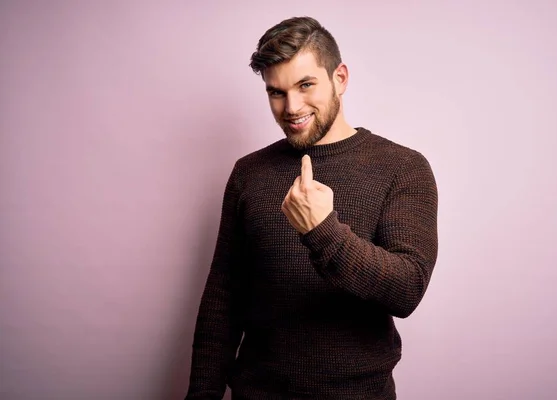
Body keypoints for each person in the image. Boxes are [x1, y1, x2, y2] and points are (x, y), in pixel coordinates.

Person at [185, 16, 438, 400]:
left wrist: (322, 230)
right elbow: (223, 299)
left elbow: (406, 290)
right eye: (276, 92)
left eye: (306, 85)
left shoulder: (402, 167)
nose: (291, 107)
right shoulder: (249, 172)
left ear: (340, 78)